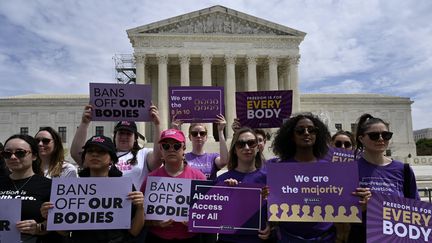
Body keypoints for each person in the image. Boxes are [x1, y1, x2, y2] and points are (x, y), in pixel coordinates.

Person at [42, 135, 145, 243]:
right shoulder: (72, 188)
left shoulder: (125, 187)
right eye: (90, 151)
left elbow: (134, 231)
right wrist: (50, 216)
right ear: (85, 158)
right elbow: (64, 231)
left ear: (112, 159)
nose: (95, 154)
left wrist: (140, 207)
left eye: (101, 151)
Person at [348, 114, 419, 243]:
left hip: (396, 237)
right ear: (361, 139)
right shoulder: (349, 169)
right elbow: (340, 209)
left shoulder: (404, 170)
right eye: (374, 135)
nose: (381, 139)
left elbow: (415, 211)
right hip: (362, 236)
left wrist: (375, 206)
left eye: (386, 135)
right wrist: (359, 208)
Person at [272, 112, 336, 242]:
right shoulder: (280, 169)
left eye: (311, 130)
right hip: (289, 237)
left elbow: (339, 199)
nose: (306, 133)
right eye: (300, 131)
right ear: (292, 136)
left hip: (325, 237)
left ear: (317, 135)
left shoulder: (331, 168)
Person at [70, 104, 162, 189]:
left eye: (128, 134)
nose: (124, 137)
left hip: (132, 203)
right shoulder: (102, 154)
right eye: (121, 133)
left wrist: (157, 125)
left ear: (135, 138)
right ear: (115, 136)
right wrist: (84, 123)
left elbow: (158, 158)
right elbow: (76, 153)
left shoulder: (143, 154)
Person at [141, 128, 207, 243]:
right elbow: (139, 214)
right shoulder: (151, 178)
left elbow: (209, 214)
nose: (171, 149)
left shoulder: (199, 177)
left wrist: (196, 222)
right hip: (157, 237)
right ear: (161, 150)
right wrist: (154, 222)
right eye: (166, 146)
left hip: (190, 238)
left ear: (184, 149)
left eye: (176, 146)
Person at [0, 134, 62, 243]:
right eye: (7, 153)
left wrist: (39, 227)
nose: (13, 157)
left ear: (34, 156)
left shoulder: (50, 186)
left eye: (20, 153)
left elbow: (61, 222)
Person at [216, 127, 270, 243]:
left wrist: (272, 226)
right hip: (228, 240)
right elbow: (212, 214)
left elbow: (279, 211)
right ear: (235, 150)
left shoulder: (269, 179)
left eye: (251, 143)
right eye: (241, 144)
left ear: (257, 148)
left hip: (259, 239)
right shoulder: (221, 180)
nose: (246, 148)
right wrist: (225, 193)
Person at [172, 114, 228, 180]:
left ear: (206, 137)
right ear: (190, 137)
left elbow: (224, 161)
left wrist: (221, 131)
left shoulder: (212, 157)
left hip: (208, 190)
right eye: (194, 133)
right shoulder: (184, 157)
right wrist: (176, 131)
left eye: (202, 133)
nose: (198, 136)